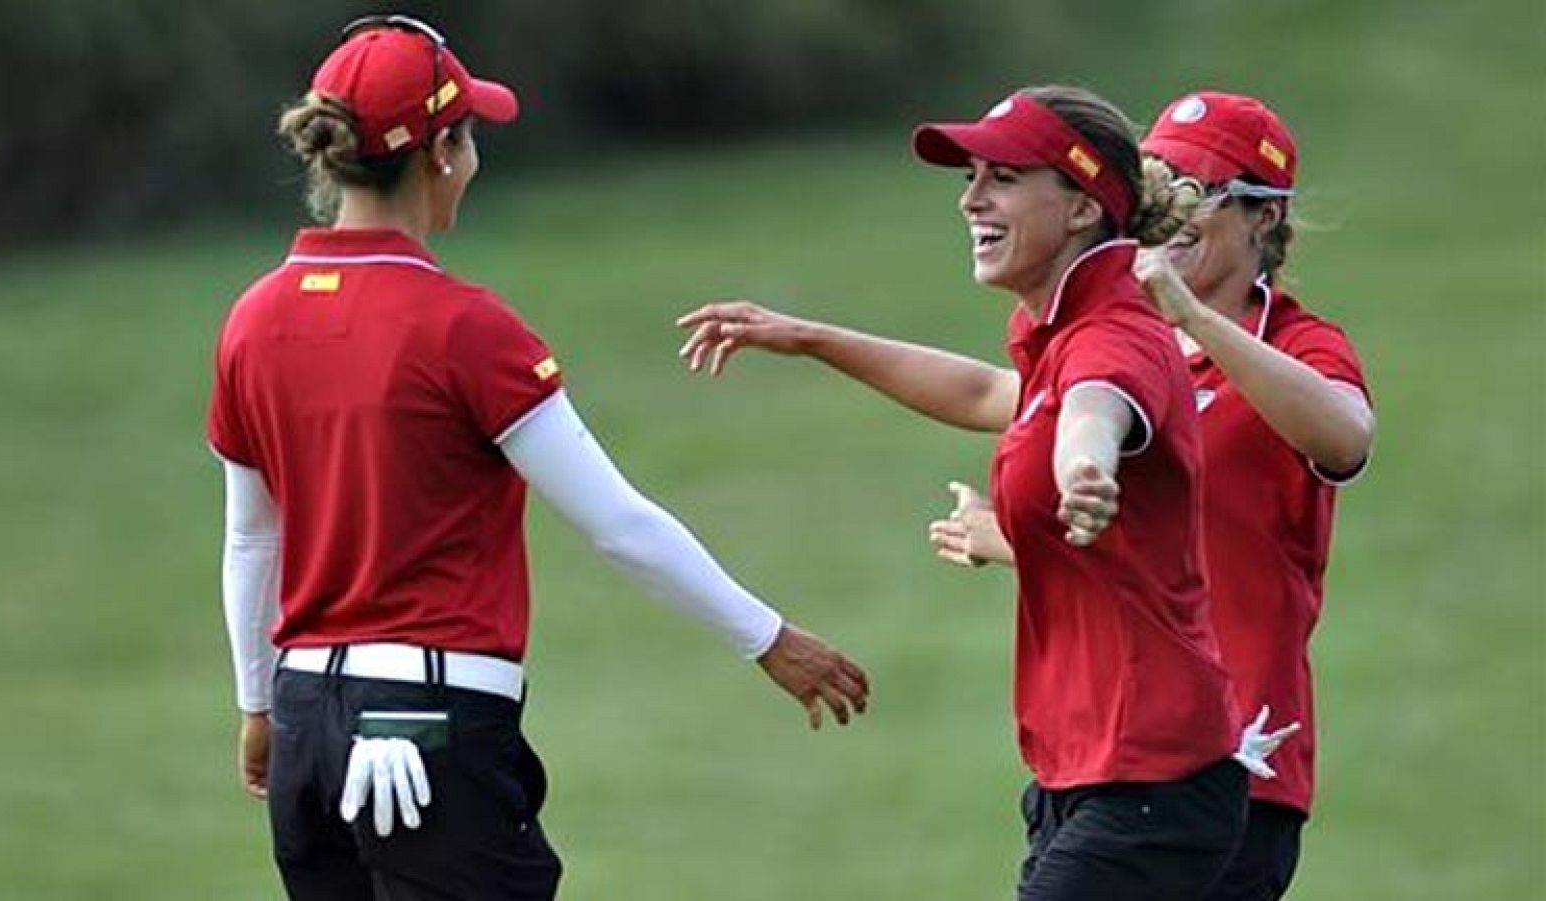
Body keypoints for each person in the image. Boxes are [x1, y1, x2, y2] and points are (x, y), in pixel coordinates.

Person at [208, 16, 868, 900]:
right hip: (430, 731)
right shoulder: (465, 329)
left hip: (306, 728)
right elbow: (620, 526)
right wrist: (769, 637)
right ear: (440, 152)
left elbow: (253, 540)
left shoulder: (253, 319)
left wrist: (258, 706)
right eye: (470, 137)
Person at [678, 85, 1284, 899]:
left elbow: (1096, 410)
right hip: (1089, 775)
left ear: (1078, 205)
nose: (970, 200)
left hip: (1153, 779)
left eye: (1001, 177)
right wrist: (808, 337)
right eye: (971, 177)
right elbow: (978, 396)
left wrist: (1086, 470)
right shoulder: (1060, 328)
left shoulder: (1112, 334)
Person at [935, 91, 1374, 899]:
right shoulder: (1120, 339)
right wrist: (807, 337)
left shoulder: (1296, 345)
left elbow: (1345, 438)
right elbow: (990, 395)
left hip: (1241, 755)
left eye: (1198, 187)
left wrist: (1190, 316)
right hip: (1118, 750)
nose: (1172, 203)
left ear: (1261, 220)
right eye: (1161, 177)